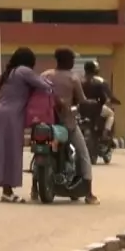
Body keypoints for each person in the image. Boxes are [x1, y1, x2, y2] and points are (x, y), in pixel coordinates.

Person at [0, 47, 48, 203]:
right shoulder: (23, 71)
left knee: (0, 151)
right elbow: (45, 85)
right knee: (11, 152)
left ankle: (5, 188)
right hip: (10, 116)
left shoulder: (9, 73)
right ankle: (7, 191)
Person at [40, 48, 99, 204]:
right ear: (68, 61)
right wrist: (92, 102)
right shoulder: (73, 78)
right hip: (66, 123)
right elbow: (82, 100)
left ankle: (34, 189)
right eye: (72, 60)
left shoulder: (45, 75)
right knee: (83, 153)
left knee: (40, 149)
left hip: (45, 121)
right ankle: (89, 193)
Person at [81, 61, 120, 139]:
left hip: (82, 108)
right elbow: (107, 96)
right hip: (96, 108)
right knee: (111, 114)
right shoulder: (100, 81)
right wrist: (115, 100)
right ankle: (105, 133)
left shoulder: (80, 80)